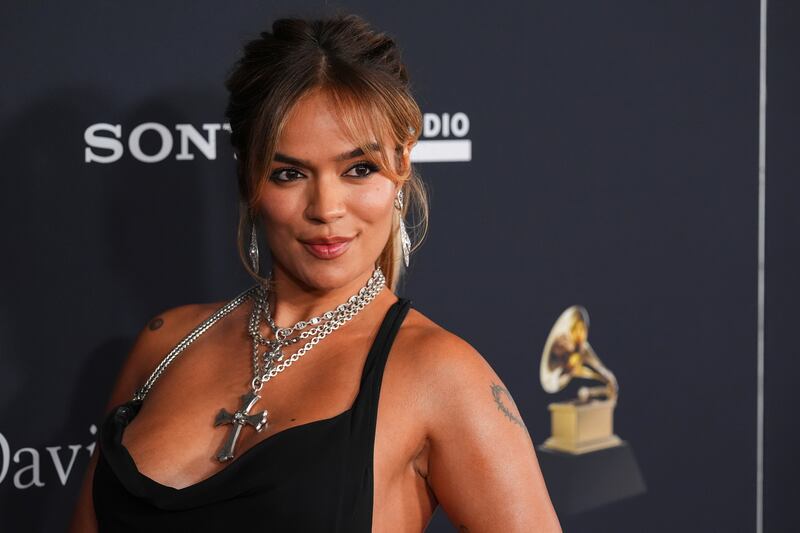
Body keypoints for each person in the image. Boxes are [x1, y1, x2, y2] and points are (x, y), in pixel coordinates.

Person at [68, 12, 561, 533]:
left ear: (402, 163)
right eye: (289, 173)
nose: (326, 208)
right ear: (249, 179)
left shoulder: (439, 375)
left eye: (359, 169)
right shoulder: (164, 342)